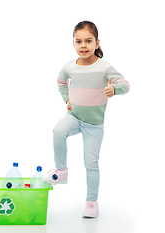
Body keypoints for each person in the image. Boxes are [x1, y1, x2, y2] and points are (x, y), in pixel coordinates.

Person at [44, 21, 130, 218]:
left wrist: (114, 89)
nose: (83, 45)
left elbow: (125, 83)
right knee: (58, 131)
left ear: (97, 43)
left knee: (90, 163)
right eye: (79, 41)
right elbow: (60, 81)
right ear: (73, 44)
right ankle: (62, 171)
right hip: (74, 116)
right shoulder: (69, 67)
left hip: (94, 124)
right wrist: (67, 99)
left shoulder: (104, 67)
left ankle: (91, 202)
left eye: (88, 41)